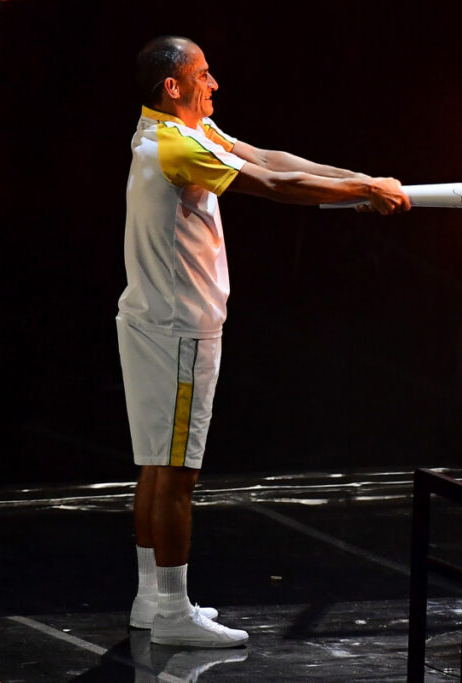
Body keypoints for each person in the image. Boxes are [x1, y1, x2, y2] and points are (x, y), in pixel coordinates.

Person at [117, 35, 410, 648]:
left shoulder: (171, 134)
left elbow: (271, 158)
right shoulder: (177, 147)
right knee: (176, 473)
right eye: (202, 74)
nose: (214, 83)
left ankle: (152, 598)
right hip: (179, 333)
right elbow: (272, 188)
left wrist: (361, 181)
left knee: (155, 465)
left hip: (151, 322)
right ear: (172, 87)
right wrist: (362, 193)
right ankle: (172, 611)